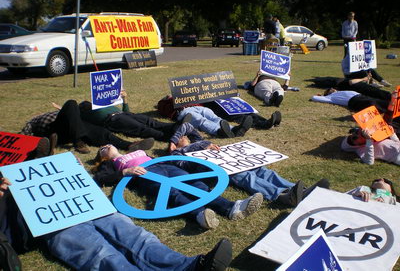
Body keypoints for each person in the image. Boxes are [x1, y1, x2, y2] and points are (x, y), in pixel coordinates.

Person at [0, 177, 233, 271]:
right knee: (100, 253)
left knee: (134, 235)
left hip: (78, 202)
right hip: (45, 220)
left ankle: (188, 267)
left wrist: (77, 177)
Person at [93, 144, 263, 229]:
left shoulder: (134, 150)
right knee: (171, 192)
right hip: (144, 174)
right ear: (103, 158)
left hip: (165, 166)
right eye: (102, 149)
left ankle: (231, 208)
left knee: (195, 183)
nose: (106, 146)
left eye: (107, 144)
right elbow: (101, 178)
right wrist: (125, 171)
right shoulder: (111, 164)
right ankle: (200, 215)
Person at [167, 122, 330, 207]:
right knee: (246, 177)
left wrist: (175, 139)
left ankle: (299, 189)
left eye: (185, 136)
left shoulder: (197, 139)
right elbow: (186, 164)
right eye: (182, 138)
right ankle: (281, 196)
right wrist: (178, 146)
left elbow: (186, 126)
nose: (185, 137)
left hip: (230, 158)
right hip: (216, 167)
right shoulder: (177, 154)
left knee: (263, 171)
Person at [21, 100, 154, 154]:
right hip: (54, 129)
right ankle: (77, 141)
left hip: (74, 130)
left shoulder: (77, 116)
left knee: (99, 131)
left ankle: (129, 145)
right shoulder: (39, 118)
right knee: (72, 103)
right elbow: (24, 132)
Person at [80, 90, 182, 141]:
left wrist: (125, 99)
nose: (88, 104)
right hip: (113, 119)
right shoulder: (88, 115)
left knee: (149, 121)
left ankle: (174, 127)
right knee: (140, 128)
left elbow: (126, 111)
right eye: (85, 105)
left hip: (124, 114)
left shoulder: (105, 105)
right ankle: (167, 136)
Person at [156, 96, 254, 138]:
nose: (169, 94)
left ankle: (235, 129)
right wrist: (171, 101)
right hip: (183, 111)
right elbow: (163, 108)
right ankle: (219, 131)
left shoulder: (185, 95)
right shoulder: (164, 103)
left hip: (198, 107)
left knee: (213, 117)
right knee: (200, 120)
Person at [311, 88, 389, 113]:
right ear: (327, 93)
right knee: (373, 104)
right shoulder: (330, 97)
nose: (332, 89)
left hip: (361, 96)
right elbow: (314, 98)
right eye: (329, 90)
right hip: (355, 101)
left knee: (379, 101)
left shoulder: (340, 91)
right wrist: (321, 96)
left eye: (332, 88)